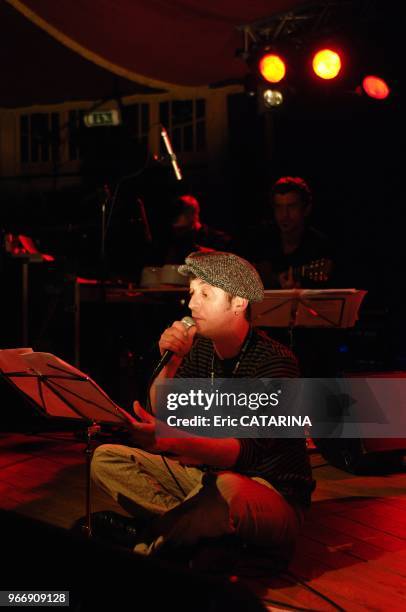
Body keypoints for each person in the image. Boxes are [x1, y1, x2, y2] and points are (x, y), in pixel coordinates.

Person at [90, 251, 314, 566]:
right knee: (106, 459)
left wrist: (173, 443)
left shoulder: (275, 363)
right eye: (192, 293)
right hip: (207, 478)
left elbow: (244, 453)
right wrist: (173, 361)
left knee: (227, 488)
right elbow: (166, 412)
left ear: (239, 303)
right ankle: (206, 533)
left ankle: (148, 539)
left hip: (269, 491)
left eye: (205, 294)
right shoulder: (203, 349)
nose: (192, 304)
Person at [244, 177, 334, 289]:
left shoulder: (318, 246)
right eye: (279, 207)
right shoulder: (261, 238)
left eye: (291, 207)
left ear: (306, 209)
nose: (284, 215)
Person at [159, 194, 232, 264]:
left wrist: (208, 254)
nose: (177, 231)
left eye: (181, 229)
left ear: (193, 214)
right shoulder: (174, 239)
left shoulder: (215, 238)